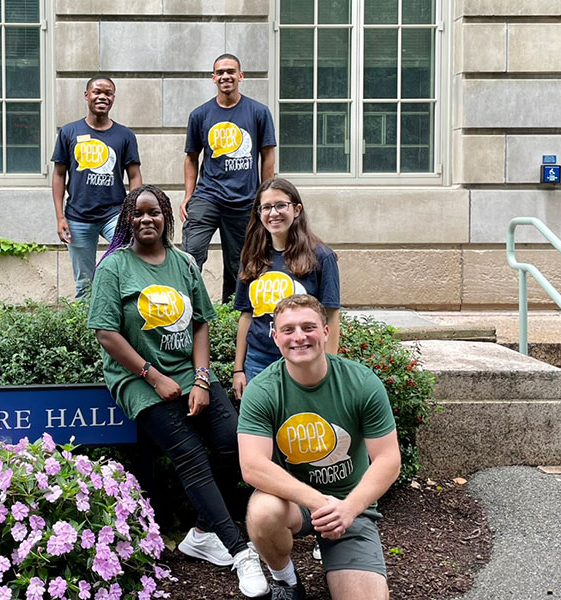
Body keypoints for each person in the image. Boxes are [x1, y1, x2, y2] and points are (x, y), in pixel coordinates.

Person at [88, 185, 269, 598]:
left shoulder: (184, 263)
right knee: (190, 456)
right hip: (139, 381)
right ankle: (240, 552)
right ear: (127, 219)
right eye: (138, 213)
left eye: (154, 213)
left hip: (190, 373)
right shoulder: (114, 267)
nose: (146, 219)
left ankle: (204, 534)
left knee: (233, 444)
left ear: (167, 217)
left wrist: (202, 379)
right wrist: (153, 376)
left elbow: (202, 322)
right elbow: (105, 333)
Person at [237, 294, 401, 600]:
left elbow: (389, 459)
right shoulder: (262, 390)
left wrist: (349, 509)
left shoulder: (361, 383)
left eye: (308, 327)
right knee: (262, 512)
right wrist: (318, 502)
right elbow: (253, 465)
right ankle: (285, 582)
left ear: (325, 332)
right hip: (293, 502)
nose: (299, 337)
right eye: (288, 330)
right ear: (275, 337)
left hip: (350, 505)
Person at [232, 177, 341, 401]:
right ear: (259, 213)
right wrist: (238, 369)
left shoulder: (322, 257)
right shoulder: (252, 257)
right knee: (262, 428)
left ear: (297, 209)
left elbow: (330, 316)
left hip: (305, 358)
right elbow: (246, 315)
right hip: (259, 361)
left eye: (281, 205)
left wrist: (328, 369)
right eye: (266, 207)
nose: (274, 213)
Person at [181, 53, 276, 303]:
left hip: (245, 201)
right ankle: (188, 309)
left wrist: (265, 197)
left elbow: (267, 157)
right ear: (213, 78)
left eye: (230, 72)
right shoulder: (200, 115)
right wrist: (188, 196)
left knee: (241, 265)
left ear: (240, 76)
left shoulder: (258, 112)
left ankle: (232, 317)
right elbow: (191, 157)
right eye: (220, 72)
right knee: (191, 254)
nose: (225, 76)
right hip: (208, 196)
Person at [52, 76, 142, 300]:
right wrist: (60, 217)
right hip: (78, 216)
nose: (102, 96)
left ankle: (120, 317)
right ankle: (86, 330)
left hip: (115, 214)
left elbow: (134, 176)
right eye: (97, 92)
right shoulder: (69, 132)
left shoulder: (125, 135)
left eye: (108, 93)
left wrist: (133, 211)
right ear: (86, 96)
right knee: (84, 283)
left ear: (113, 98)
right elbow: (59, 174)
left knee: (127, 267)